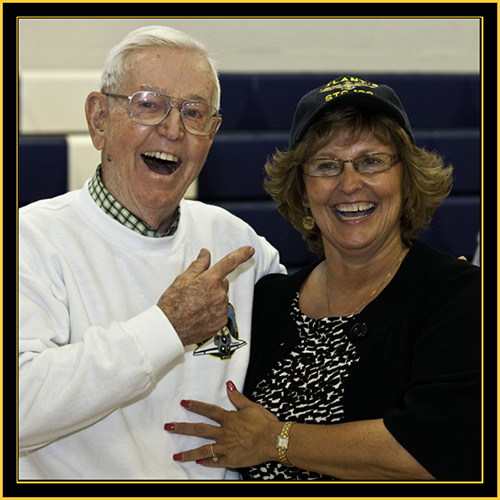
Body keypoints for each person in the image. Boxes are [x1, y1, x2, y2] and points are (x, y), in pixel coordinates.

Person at [165, 76, 481, 480]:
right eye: (326, 165)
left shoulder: (457, 298)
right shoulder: (268, 301)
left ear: (407, 178)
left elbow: (431, 453)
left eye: (372, 161)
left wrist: (276, 440)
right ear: (301, 192)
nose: (349, 184)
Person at [18, 25, 284, 480]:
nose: (173, 129)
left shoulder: (238, 243)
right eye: (148, 104)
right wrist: (165, 328)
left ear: (212, 134)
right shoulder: (30, 240)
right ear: (99, 119)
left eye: (194, 113)